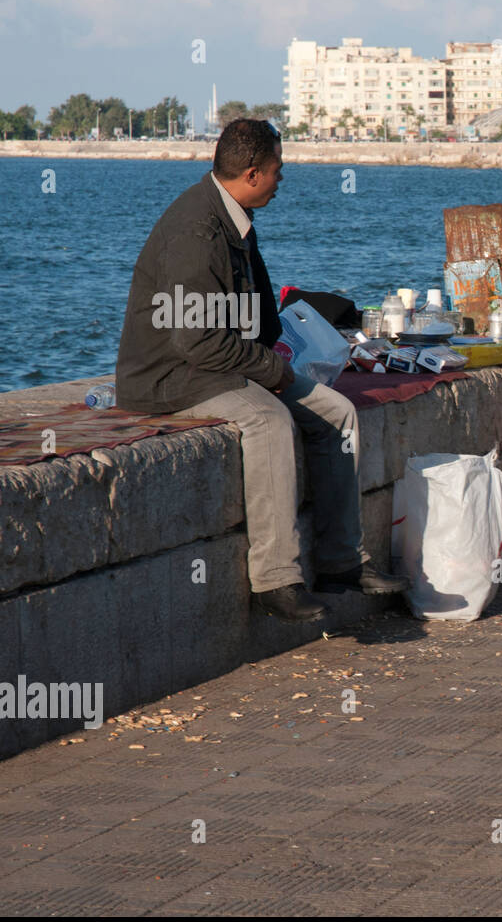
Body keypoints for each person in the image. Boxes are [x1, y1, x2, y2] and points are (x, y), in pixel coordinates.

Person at [114, 118, 407, 623]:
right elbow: (196, 341)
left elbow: (257, 311)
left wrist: (288, 351)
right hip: (173, 374)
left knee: (336, 413)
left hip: (222, 362)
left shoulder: (233, 213)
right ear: (252, 173)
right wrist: (271, 370)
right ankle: (276, 580)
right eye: (278, 170)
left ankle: (340, 562)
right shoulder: (197, 231)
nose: (282, 179)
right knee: (269, 421)